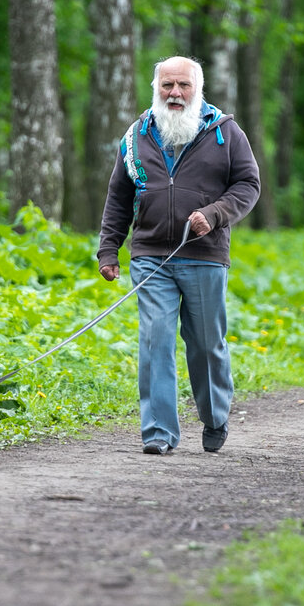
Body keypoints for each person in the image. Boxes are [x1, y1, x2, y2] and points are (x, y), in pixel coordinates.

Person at [97, 55, 260, 455]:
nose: (175, 93)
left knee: (206, 343)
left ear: (197, 89)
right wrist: (108, 249)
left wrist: (214, 214)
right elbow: (119, 195)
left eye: (183, 86)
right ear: (156, 88)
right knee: (156, 341)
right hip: (151, 255)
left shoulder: (226, 132)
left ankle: (215, 415)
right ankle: (158, 432)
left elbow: (248, 184)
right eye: (167, 85)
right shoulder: (137, 136)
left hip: (204, 254)